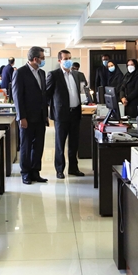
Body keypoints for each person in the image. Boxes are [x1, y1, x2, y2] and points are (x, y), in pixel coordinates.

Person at [12, 47, 48, 185]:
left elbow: (43, 95)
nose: (43, 60)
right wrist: (22, 117)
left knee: (38, 146)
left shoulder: (42, 73)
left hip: (40, 116)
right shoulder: (20, 73)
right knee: (26, 146)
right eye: (42, 58)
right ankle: (26, 173)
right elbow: (17, 97)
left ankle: (35, 172)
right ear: (35, 59)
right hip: (26, 117)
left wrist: (45, 115)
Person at [47, 50, 85, 179]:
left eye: (70, 58)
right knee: (60, 144)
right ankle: (59, 170)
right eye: (65, 58)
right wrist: (54, 107)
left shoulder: (76, 75)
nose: (68, 61)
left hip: (75, 113)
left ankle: (73, 168)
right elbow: (47, 94)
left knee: (74, 143)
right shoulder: (54, 75)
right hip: (61, 115)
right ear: (59, 61)